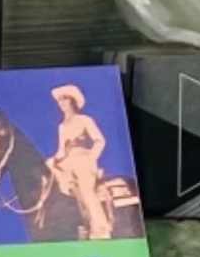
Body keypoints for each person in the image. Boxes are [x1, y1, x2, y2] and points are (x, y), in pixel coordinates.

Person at [46, 81, 138, 239]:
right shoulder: (62, 126)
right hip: (68, 160)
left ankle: (100, 229)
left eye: (65, 99)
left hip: (84, 159)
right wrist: (54, 159)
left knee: (87, 191)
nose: (61, 103)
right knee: (48, 169)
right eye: (59, 101)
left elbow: (100, 140)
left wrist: (90, 156)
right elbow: (61, 150)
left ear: (72, 101)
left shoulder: (85, 120)